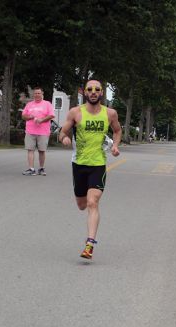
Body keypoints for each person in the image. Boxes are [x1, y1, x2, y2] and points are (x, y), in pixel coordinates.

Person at [59, 79, 122, 260]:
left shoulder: (110, 113)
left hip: (98, 164)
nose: (93, 92)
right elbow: (62, 132)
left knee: (93, 202)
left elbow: (117, 131)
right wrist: (64, 139)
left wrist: (115, 146)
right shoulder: (75, 113)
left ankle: (90, 244)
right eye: (90, 89)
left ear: (101, 92)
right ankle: (87, 210)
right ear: (85, 92)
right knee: (82, 204)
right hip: (79, 164)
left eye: (97, 89)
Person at [22, 87, 55, 176]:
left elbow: (51, 115)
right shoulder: (29, 104)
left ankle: (41, 168)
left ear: (42, 94)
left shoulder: (47, 104)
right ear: (33, 94)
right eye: (35, 93)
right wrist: (30, 117)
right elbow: (23, 116)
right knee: (30, 149)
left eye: (39, 93)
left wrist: (41, 120)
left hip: (43, 131)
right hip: (30, 131)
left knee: (41, 150)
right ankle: (31, 169)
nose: (37, 95)